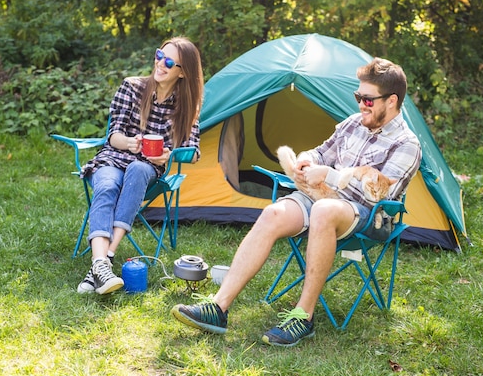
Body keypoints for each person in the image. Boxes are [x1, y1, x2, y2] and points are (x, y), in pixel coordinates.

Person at [171, 57, 422, 346]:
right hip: (321, 197)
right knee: (272, 214)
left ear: (391, 101)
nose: (360, 105)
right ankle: (218, 307)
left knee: (325, 211)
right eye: (358, 97)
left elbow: (379, 196)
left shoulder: (406, 144)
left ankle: (303, 316)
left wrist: (329, 174)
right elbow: (321, 151)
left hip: (367, 216)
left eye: (367, 100)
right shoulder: (354, 124)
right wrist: (307, 160)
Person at [77, 37, 203, 295]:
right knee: (107, 185)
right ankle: (102, 264)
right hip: (115, 156)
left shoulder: (186, 104)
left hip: (147, 168)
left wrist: (170, 155)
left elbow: (194, 153)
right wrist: (130, 144)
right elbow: (113, 136)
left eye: (169, 61)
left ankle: (102, 264)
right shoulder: (132, 87)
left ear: (183, 72)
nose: (160, 63)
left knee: (137, 170)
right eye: (159, 55)